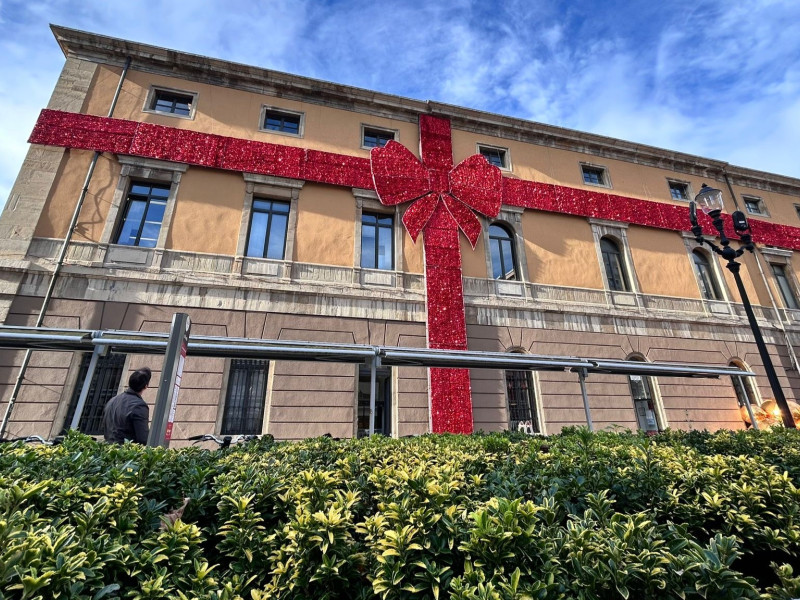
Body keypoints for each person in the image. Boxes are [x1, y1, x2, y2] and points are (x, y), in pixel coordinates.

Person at [103, 367, 152, 444]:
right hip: (125, 453)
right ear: (146, 386)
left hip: (108, 450)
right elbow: (143, 439)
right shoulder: (139, 406)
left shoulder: (112, 400)